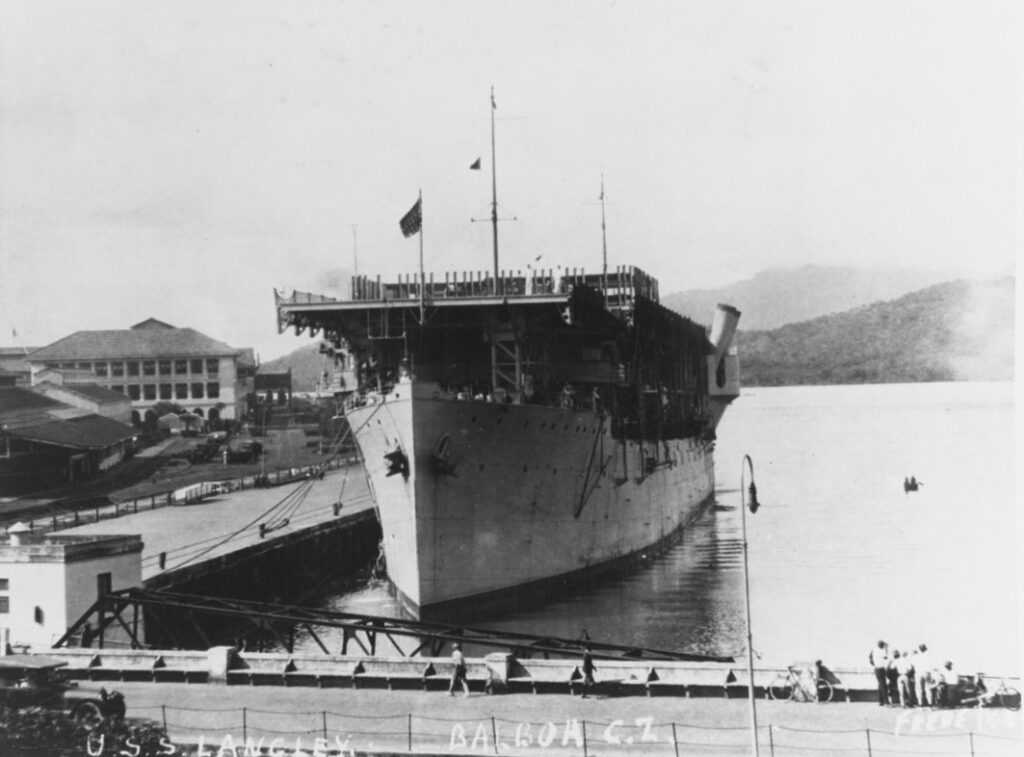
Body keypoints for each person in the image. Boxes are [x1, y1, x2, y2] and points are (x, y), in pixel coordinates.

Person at [870, 640, 890, 706]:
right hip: (880, 669)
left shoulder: (874, 650)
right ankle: (886, 702)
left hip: (877, 668)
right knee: (883, 685)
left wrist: (874, 664)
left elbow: (870, 657)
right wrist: (886, 648)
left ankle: (880, 701)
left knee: (880, 685)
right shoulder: (880, 651)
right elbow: (886, 657)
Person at [914, 643, 933, 708]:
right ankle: (930, 705)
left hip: (919, 673)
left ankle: (920, 704)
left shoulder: (916, 656)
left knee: (919, 689)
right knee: (928, 688)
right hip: (926, 672)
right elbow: (930, 666)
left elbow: (913, 665)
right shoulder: (928, 656)